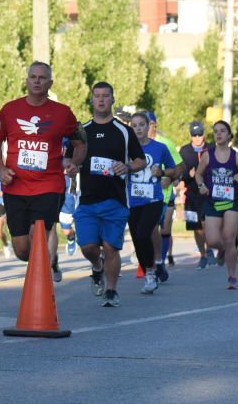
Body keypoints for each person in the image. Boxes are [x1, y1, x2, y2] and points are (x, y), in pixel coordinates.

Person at [0, 61, 85, 284]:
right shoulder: (10, 110)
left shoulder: (63, 113)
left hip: (49, 184)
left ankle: (42, 276)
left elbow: (80, 143)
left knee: (40, 230)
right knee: (22, 248)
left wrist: (74, 163)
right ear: (27, 80)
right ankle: (49, 260)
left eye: (42, 78)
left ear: (50, 83)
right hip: (15, 185)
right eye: (33, 77)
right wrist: (1, 169)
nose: (37, 81)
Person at [74, 82, 145, 307]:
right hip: (87, 201)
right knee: (87, 247)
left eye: (106, 96)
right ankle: (97, 266)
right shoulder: (82, 131)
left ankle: (112, 290)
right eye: (97, 96)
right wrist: (70, 165)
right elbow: (69, 157)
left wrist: (128, 167)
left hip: (115, 200)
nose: (102, 100)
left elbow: (140, 160)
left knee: (111, 247)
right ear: (92, 100)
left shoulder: (124, 131)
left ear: (113, 99)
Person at [195, 120, 238, 289]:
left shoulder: (236, 156)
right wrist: (201, 185)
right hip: (213, 201)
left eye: (222, 131)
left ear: (228, 135)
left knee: (228, 237)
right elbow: (198, 174)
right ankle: (222, 250)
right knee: (212, 241)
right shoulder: (207, 155)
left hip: (232, 202)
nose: (218, 134)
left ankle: (232, 276)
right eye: (216, 131)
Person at [130, 111, 173, 293]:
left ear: (149, 127)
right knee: (136, 239)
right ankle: (149, 270)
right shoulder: (126, 148)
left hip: (154, 199)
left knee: (143, 234)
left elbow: (174, 169)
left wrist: (162, 173)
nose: (138, 128)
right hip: (132, 200)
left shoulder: (160, 148)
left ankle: (150, 272)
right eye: (135, 126)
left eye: (142, 125)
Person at [177, 122, 211, 269]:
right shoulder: (184, 151)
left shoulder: (211, 149)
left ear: (203, 134)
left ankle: (210, 250)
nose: (197, 138)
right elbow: (180, 173)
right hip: (192, 194)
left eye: (199, 134)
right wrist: (187, 175)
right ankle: (203, 255)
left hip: (208, 193)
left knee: (206, 223)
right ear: (190, 136)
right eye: (194, 135)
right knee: (196, 227)